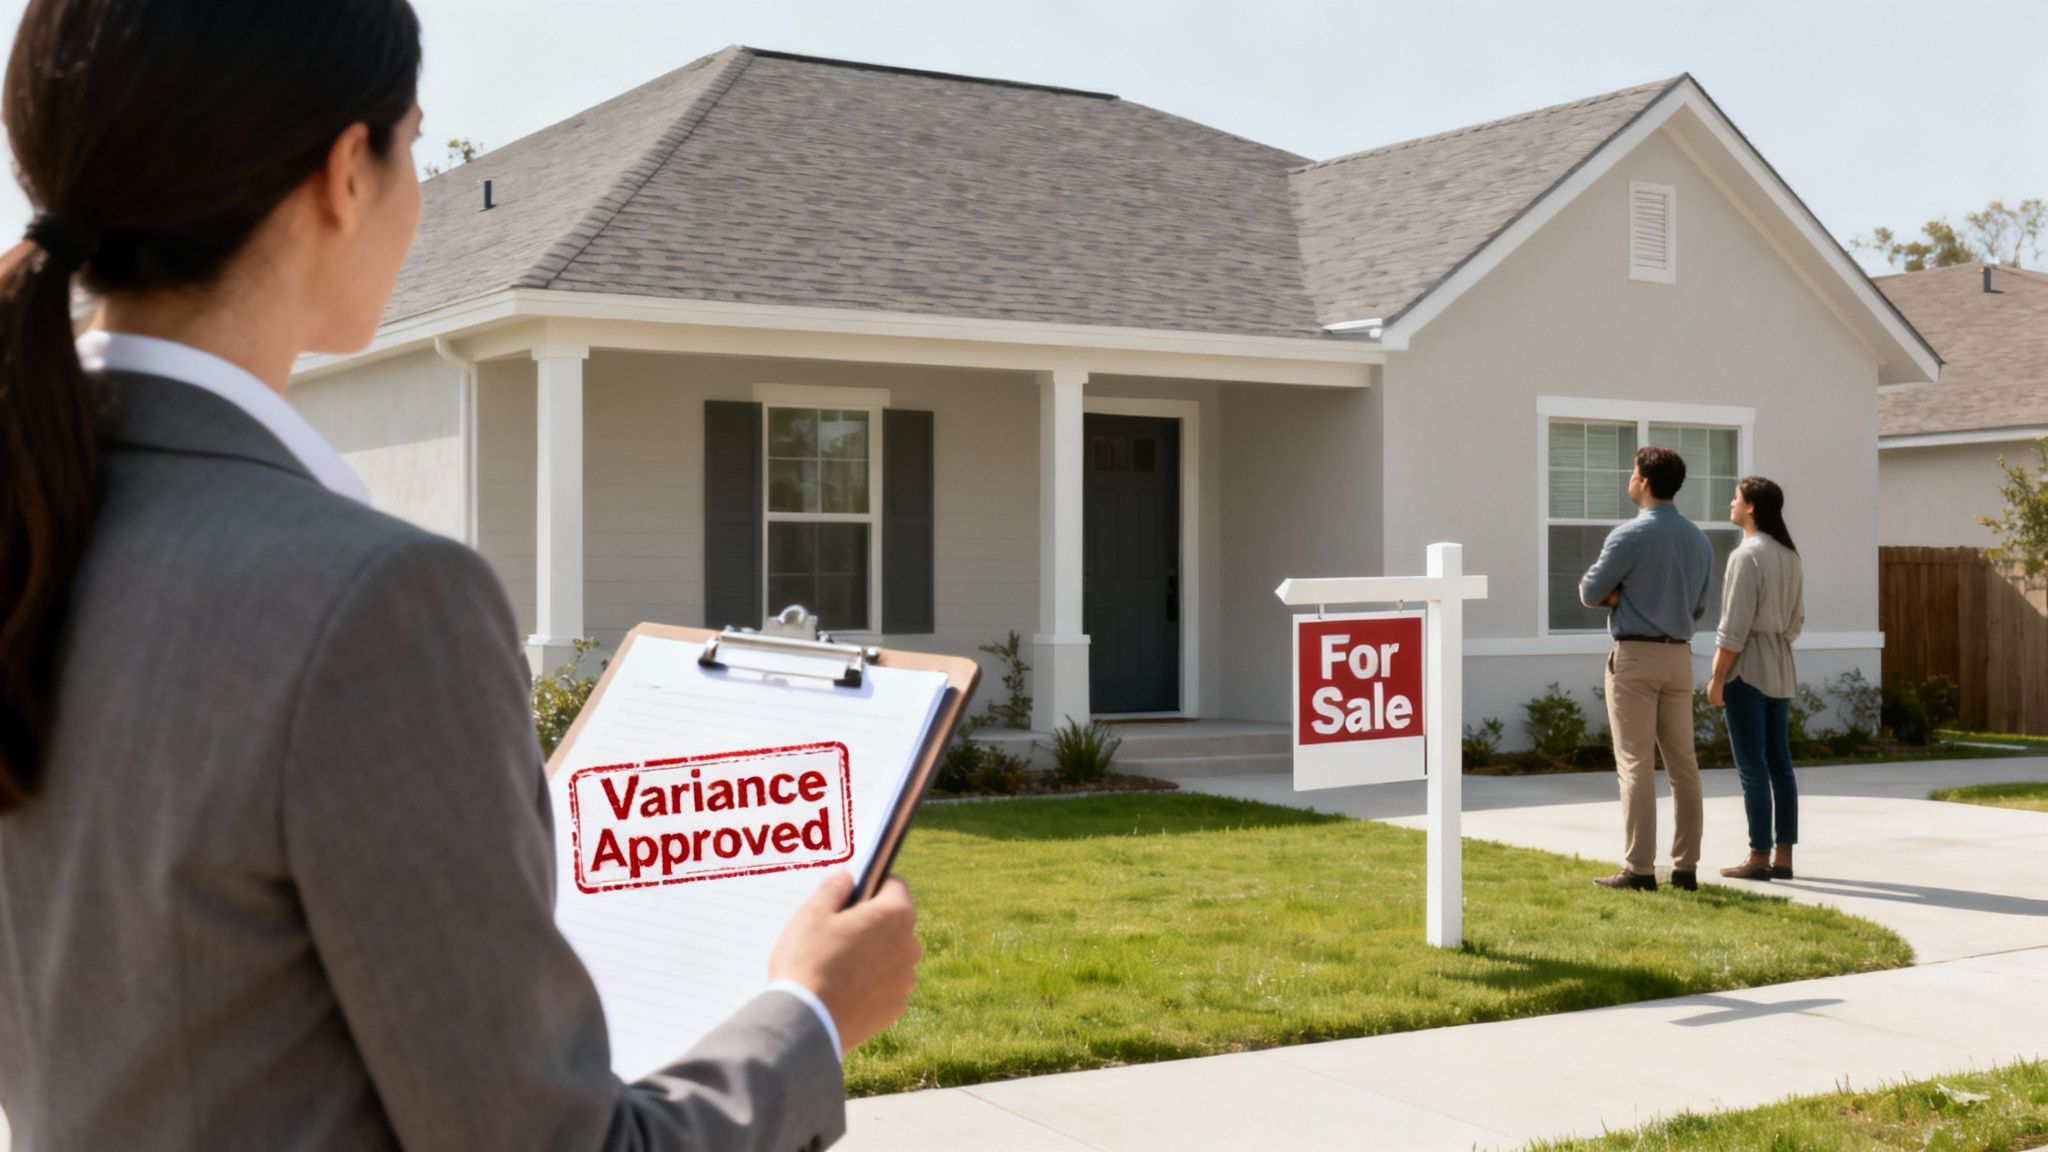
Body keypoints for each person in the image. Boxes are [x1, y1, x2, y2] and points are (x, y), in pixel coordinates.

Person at [0, 2, 918, 1148]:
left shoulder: (37, 523)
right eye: (417, 144)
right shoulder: (371, 607)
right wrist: (810, 1015)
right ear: (346, 171)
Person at [1578, 446, 1714, 892]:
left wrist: (1622, 597)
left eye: (1632, 471)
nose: (1629, 479)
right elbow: (1695, 608)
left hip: (1635, 656)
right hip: (1679, 658)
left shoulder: (1628, 537)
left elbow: (1590, 591)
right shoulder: (1699, 540)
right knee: (1683, 765)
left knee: (1635, 762)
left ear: (1645, 480)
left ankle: (1639, 869)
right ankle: (1686, 868)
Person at [1709, 477, 1805, 882]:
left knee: (1752, 767)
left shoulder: (1746, 556)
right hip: (1782, 666)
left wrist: (1717, 678)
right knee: (1780, 765)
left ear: (1750, 506)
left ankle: (1757, 856)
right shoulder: (1790, 556)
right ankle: (1783, 856)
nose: (1730, 503)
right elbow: (1796, 623)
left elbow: (1734, 627)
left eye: (1735, 498)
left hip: (1747, 669)